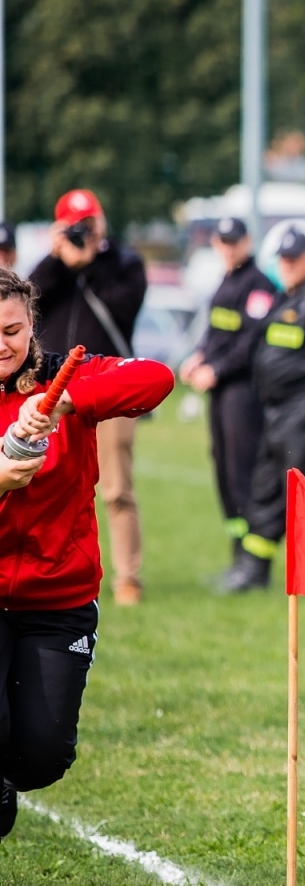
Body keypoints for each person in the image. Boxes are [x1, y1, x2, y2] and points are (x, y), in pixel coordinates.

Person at [0, 269, 174, 838]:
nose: (3, 344)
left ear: (31, 327)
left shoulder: (61, 378)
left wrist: (67, 402)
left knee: (42, 755)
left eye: (12, 330)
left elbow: (156, 378)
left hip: (59, 599)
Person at [220, 228, 305, 592]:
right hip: (278, 412)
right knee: (270, 485)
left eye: (294, 258)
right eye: (283, 259)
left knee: (294, 491)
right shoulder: (284, 298)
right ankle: (257, 568)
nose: (288, 265)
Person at [27, 190, 148, 605]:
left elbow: (125, 307)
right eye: (74, 226)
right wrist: (58, 258)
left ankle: (127, 577)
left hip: (108, 387)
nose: (82, 234)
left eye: (88, 224)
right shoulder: (53, 269)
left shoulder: (123, 263)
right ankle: (50, 570)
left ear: (102, 223)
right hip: (54, 390)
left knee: (117, 487)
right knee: (48, 484)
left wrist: (91, 263)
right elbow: (27, 301)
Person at [178, 217, 279, 572]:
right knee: (223, 469)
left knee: (243, 471)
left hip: (244, 392)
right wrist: (200, 356)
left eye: (234, 242)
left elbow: (250, 342)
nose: (228, 248)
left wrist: (216, 369)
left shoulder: (259, 286)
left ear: (247, 242)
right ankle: (238, 551)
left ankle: (254, 563)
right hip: (220, 391)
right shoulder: (226, 281)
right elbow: (217, 333)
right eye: (222, 242)